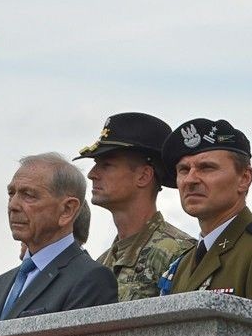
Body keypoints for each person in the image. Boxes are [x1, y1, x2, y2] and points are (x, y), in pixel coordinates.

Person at [160, 118, 252, 301]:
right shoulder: (183, 264)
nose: (190, 179)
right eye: (183, 170)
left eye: (206, 168)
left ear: (244, 178)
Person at [0, 153, 117, 323]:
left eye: (28, 195)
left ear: (67, 210)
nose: (13, 205)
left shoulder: (90, 280)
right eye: (11, 194)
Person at [76, 112, 196, 300]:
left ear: (144, 176)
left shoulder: (179, 254)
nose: (92, 174)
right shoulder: (101, 264)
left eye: (106, 165)